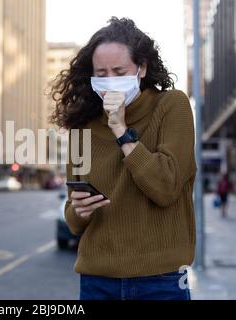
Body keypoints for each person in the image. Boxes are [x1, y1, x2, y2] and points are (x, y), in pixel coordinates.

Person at [50, 17, 197, 300]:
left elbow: (165, 188)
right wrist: (80, 210)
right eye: (101, 73)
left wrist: (120, 129)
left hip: (161, 281)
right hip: (97, 282)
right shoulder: (82, 127)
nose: (109, 82)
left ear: (141, 68)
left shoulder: (171, 106)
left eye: (118, 71)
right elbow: (72, 218)